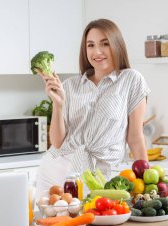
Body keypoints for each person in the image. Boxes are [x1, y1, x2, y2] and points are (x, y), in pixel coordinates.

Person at [36, 19, 150, 196]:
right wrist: (58, 105)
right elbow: (58, 142)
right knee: (50, 222)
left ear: (117, 45)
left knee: (96, 220)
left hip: (101, 175)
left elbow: (135, 137)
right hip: (58, 169)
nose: (97, 52)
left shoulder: (131, 80)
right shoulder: (69, 86)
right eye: (90, 45)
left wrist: (148, 181)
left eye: (105, 44)